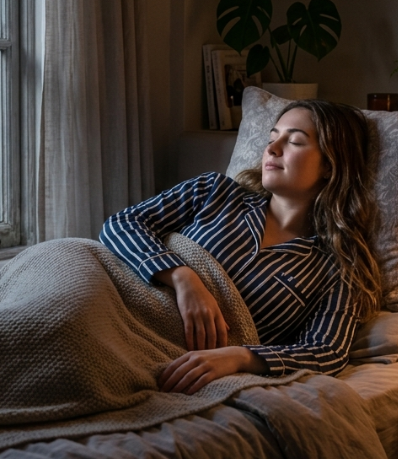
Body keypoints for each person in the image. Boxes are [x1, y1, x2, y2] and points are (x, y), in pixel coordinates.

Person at [100, 100, 381, 395]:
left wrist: (241, 357)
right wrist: (183, 277)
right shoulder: (214, 192)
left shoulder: (337, 266)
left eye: (295, 141)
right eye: (272, 139)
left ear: (330, 165)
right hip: (114, 306)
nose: (272, 149)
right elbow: (122, 223)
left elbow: (326, 350)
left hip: (168, 361)